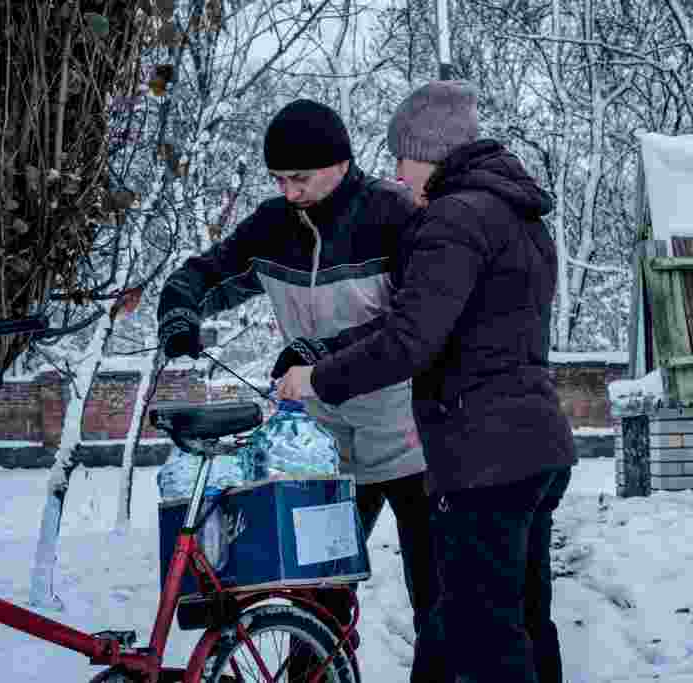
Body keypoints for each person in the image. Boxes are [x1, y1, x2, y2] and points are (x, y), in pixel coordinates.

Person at [275, 81, 577, 683]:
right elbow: (428, 319)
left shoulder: (453, 217)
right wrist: (329, 350)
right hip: (536, 446)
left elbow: (409, 341)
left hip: (484, 459)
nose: (396, 173)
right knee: (523, 620)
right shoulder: (514, 213)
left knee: (485, 637)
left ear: (428, 152)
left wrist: (319, 379)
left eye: (400, 158)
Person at [155, 99, 436, 650]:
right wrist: (180, 309)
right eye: (278, 179)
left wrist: (319, 355)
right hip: (321, 450)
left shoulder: (392, 215)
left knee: (436, 597)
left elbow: (413, 328)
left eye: (299, 178)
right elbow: (205, 274)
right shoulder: (274, 226)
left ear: (339, 163)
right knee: (313, 601)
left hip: (409, 439)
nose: (288, 191)